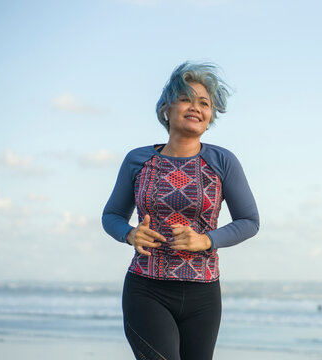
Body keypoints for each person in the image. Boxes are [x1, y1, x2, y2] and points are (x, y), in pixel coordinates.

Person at [102, 61, 259, 360]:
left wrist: (206, 240)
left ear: (211, 115)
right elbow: (111, 216)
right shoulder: (138, 160)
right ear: (166, 108)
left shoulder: (222, 161)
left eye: (204, 103)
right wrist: (130, 233)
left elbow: (249, 221)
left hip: (204, 295)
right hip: (146, 289)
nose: (196, 107)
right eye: (186, 98)